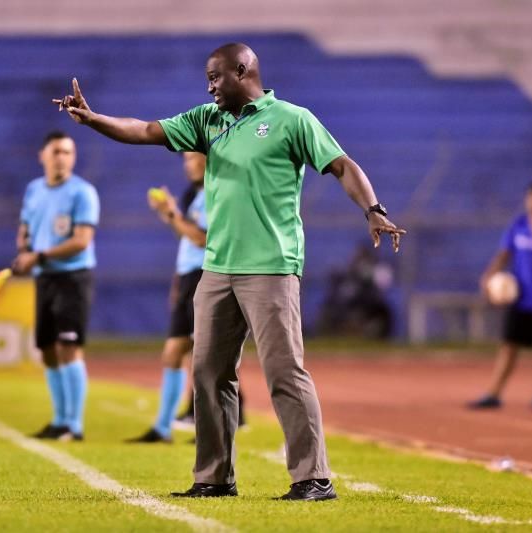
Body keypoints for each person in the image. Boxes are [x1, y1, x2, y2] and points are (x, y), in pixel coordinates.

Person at [52, 43, 405, 501]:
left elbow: (342, 165)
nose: (210, 86)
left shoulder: (292, 119)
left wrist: (373, 210)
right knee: (208, 374)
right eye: (208, 78)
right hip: (216, 267)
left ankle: (313, 478)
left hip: (271, 267)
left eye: (217, 77)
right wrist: (95, 119)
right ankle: (214, 478)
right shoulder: (207, 120)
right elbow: (144, 129)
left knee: (284, 371)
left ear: (243, 71)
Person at [127, 152, 246, 444]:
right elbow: (188, 241)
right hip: (188, 279)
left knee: (204, 356)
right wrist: (178, 283)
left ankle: (219, 421)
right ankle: (164, 427)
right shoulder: (195, 194)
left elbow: (201, 238)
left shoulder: (216, 191)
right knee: (175, 353)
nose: (188, 164)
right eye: (186, 159)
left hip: (206, 277)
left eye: (193, 158)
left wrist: (171, 214)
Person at [13, 130, 100, 441]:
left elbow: (81, 241)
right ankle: (59, 419)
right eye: (57, 151)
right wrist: (24, 250)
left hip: (73, 278)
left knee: (68, 347)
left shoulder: (83, 193)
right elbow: (25, 227)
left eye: (67, 152)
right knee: (48, 351)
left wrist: (38, 255)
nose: (62, 157)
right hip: (45, 278)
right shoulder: (34, 190)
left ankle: (73, 426)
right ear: (43, 156)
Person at [469, 182, 532, 411]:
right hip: (520, 296)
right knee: (509, 345)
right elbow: (505, 253)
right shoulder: (518, 225)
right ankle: (494, 393)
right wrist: (489, 276)